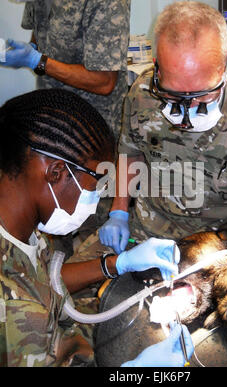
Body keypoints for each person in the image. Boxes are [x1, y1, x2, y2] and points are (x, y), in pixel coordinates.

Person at [0, 88, 193, 367]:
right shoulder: (16, 313)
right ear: (55, 173)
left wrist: (118, 263)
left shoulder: (20, 219)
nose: (96, 196)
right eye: (96, 183)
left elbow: (43, 281)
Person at [99, 1, 227, 255]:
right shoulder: (142, 93)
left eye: (202, 94)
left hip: (225, 240)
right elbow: (130, 152)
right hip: (149, 232)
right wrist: (118, 211)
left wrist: (225, 236)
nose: (187, 106)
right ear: (157, 67)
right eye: (172, 94)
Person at [1, 0, 130, 139]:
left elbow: (104, 82)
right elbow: (41, 35)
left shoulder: (107, 3)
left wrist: (36, 61)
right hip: (52, 115)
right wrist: (28, 51)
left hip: (92, 130)